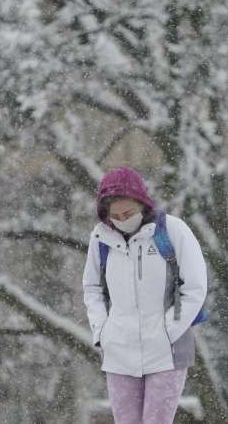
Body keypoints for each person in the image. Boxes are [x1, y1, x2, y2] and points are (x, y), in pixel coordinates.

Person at [82, 166, 208, 424]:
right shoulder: (100, 239)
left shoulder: (173, 231)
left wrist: (168, 329)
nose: (121, 219)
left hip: (167, 350)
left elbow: (194, 287)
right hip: (119, 352)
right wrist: (103, 331)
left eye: (128, 212)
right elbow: (92, 288)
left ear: (142, 203)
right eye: (114, 215)